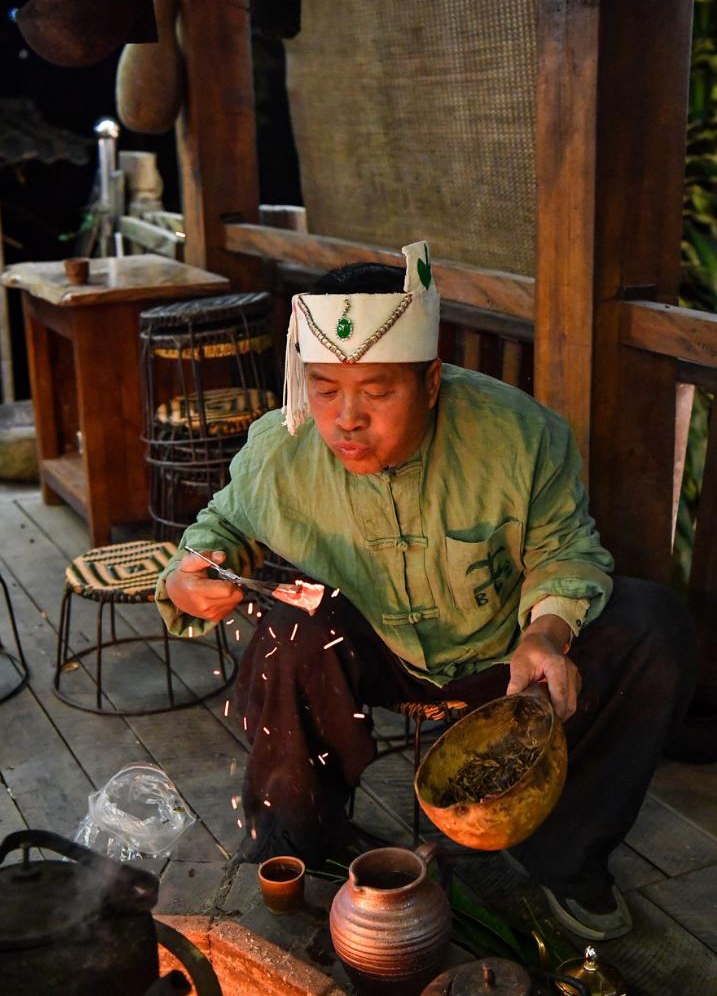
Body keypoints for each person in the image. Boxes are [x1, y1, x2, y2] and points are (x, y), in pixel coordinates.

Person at [156, 242, 695, 942]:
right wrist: (189, 574)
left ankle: (567, 857)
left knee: (653, 622)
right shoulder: (279, 449)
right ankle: (301, 841)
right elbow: (217, 529)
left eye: (377, 392)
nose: (346, 418)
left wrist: (546, 633)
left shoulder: (518, 434)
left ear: (432, 381)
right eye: (324, 388)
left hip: (506, 659)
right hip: (370, 652)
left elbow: (565, 549)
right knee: (289, 625)